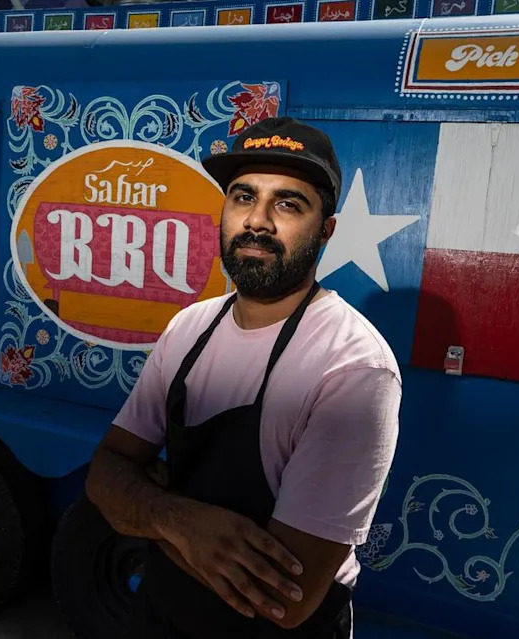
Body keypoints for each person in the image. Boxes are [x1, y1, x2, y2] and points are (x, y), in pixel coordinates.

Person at [84, 116, 402, 638]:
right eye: (242, 197)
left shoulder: (352, 367)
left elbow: (282, 599)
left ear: (327, 229)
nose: (257, 221)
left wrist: (141, 510)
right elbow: (104, 474)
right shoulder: (190, 327)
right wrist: (182, 524)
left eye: (288, 203)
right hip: (161, 614)